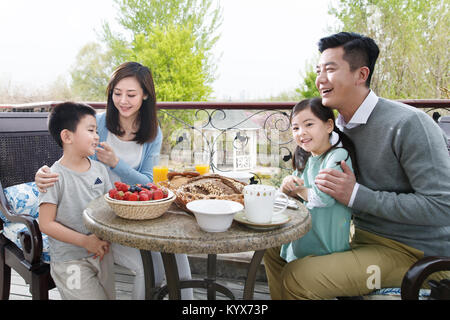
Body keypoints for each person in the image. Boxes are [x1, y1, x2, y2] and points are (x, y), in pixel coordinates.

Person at [264, 32, 450, 299]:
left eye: (330, 69)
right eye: (319, 71)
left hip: (412, 252)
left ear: (361, 75)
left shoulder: (409, 124)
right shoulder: (336, 130)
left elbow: (443, 207)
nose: (320, 79)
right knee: (274, 248)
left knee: (300, 278)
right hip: (356, 238)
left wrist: (356, 195)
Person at [36, 62, 193, 300]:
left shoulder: (152, 132)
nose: (123, 101)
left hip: (131, 210)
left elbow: (148, 183)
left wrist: (115, 163)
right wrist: (42, 173)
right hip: (101, 217)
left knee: (176, 252)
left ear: (145, 95)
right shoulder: (95, 123)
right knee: (147, 269)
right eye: (117, 93)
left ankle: (187, 301)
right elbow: (67, 151)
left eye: (131, 94)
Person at [38, 102, 115, 300]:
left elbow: (109, 208)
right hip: (70, 261)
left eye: (96, 130)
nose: (97, 136)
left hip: (102, 253)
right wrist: (85, 241)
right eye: (90, 130)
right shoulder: (53, 176)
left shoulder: (100, 170)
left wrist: (102, 240)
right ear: (67, 136)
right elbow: (45, 224)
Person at [278, 98, 356, 265]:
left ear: (329, 125)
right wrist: (286, 186)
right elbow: (287, 199)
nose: (301, 132)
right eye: (296, 128)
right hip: (301, 245)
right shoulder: (305, 158)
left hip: (325, 251)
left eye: (309, 125)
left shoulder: (338, 156)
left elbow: (322, 198)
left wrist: (297, 189)